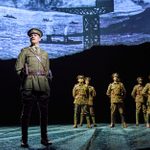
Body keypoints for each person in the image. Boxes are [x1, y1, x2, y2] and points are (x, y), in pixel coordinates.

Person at [15, 28, 53, 147]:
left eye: (36, 35)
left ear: (40, 38)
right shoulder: (25, 51)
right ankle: (24, 140)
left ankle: (44, 138)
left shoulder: (45, 54)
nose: (33, 36)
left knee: (44, 114)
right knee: (26, 113)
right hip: (29, 84)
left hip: (43, 84)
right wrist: (25, 78)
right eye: (31, 35)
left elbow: (47, 70)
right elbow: (18, 68)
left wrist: (47, 81)